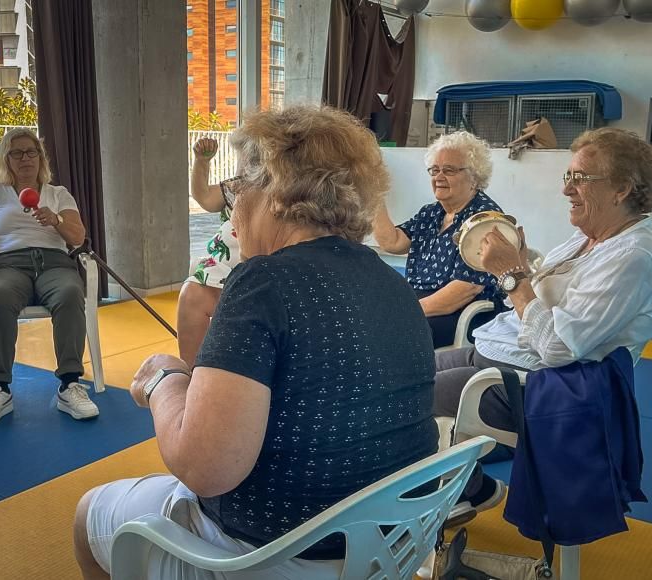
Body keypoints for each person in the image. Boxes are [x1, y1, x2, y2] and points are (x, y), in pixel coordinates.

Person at [73, 106, 438, 579]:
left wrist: (165, 379)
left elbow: (204, 467)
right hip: (386, 548)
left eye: (242, 184)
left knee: (87, 514)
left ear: (278, 193)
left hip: (270, 556)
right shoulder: (391, 283)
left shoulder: (262, 281)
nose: (235, 201)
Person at [437, 127, 652, 518]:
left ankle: (463, 491)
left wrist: (511, 274)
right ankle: (465, 485)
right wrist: (522, 261)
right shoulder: (589, 239)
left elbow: (559, 347)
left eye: (581, 179)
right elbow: (548, 294)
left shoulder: (635, 257)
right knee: (405, 372)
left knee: (403, 395)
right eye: (569, 177)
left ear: (622, 190)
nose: (567, 189)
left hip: (539, 387)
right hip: (499, 358)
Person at [0, 128, 99, 426]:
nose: (25, 158)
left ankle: (70, 385)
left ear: (40, 157)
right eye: (16, 153)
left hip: (54, 264)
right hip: (9, 265)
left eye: (31, 151)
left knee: (69, 294)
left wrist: (57, 219)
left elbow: (78, 237)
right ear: (7, 159)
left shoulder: (58, 193)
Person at [372, 131, 506, 349]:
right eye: (434, 170)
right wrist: (373, 195)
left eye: (449, 170)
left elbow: (465, 289)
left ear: (474, 177)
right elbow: (393, 242)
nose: (439, 177)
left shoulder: (484, 218)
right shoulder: (432, 213)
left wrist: (406, 310)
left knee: (387, 335)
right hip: (422, 303)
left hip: (460, 313)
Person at [177, 137, 241, 367]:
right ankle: (193, 373)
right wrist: (202, 163)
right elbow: (203, 196)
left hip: (268, 268)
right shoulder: (236, 187)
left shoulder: (293, 192)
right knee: (192, 295)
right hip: (225, 268)